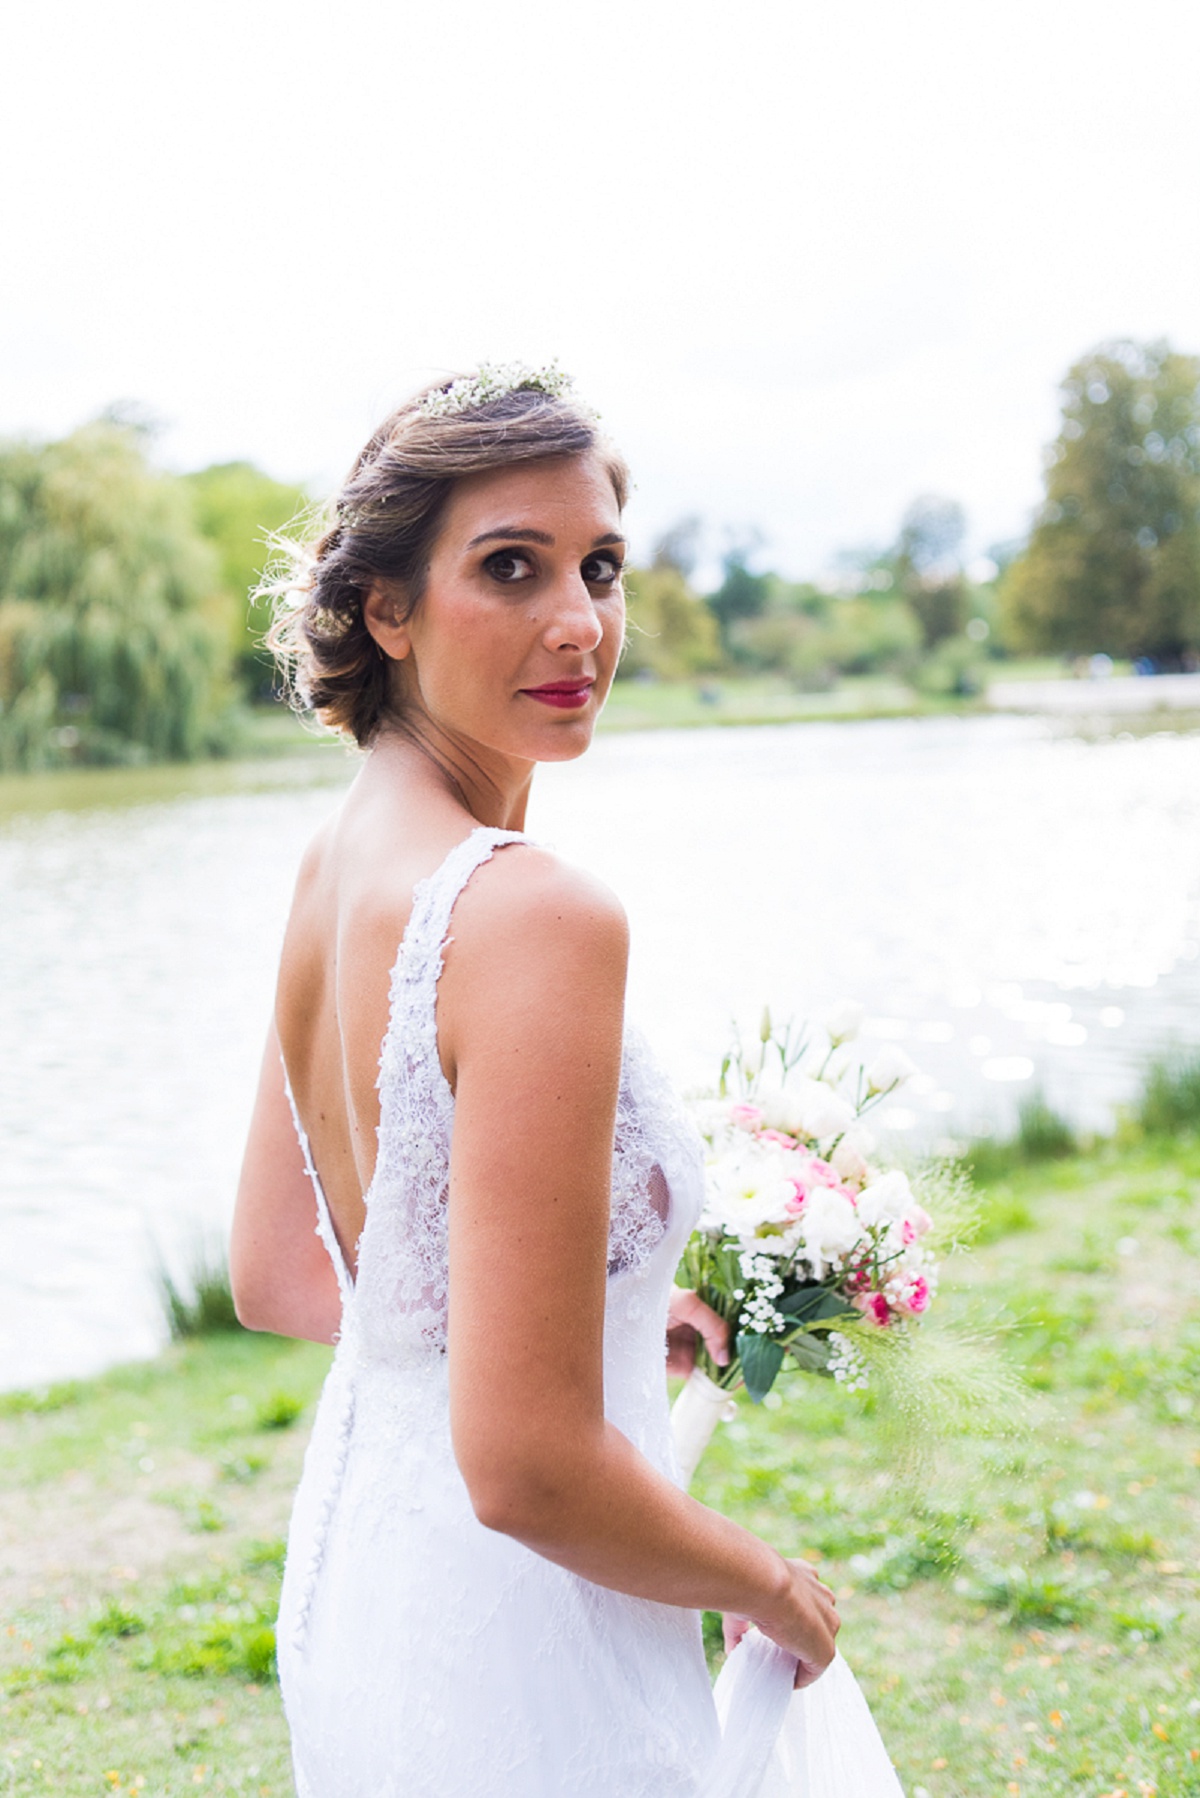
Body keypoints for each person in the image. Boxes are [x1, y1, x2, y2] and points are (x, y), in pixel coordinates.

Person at [229, 366, 842, 1796]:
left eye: (602, 567)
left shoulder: (332, 863)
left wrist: (599, 1310)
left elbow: (281, 1273)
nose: (582, 621)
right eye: (513, 566)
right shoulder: (532, 914)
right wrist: (767, 1583)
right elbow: (525, 1464)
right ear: (386, 605)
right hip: (523, 1641)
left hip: (364, 1593)